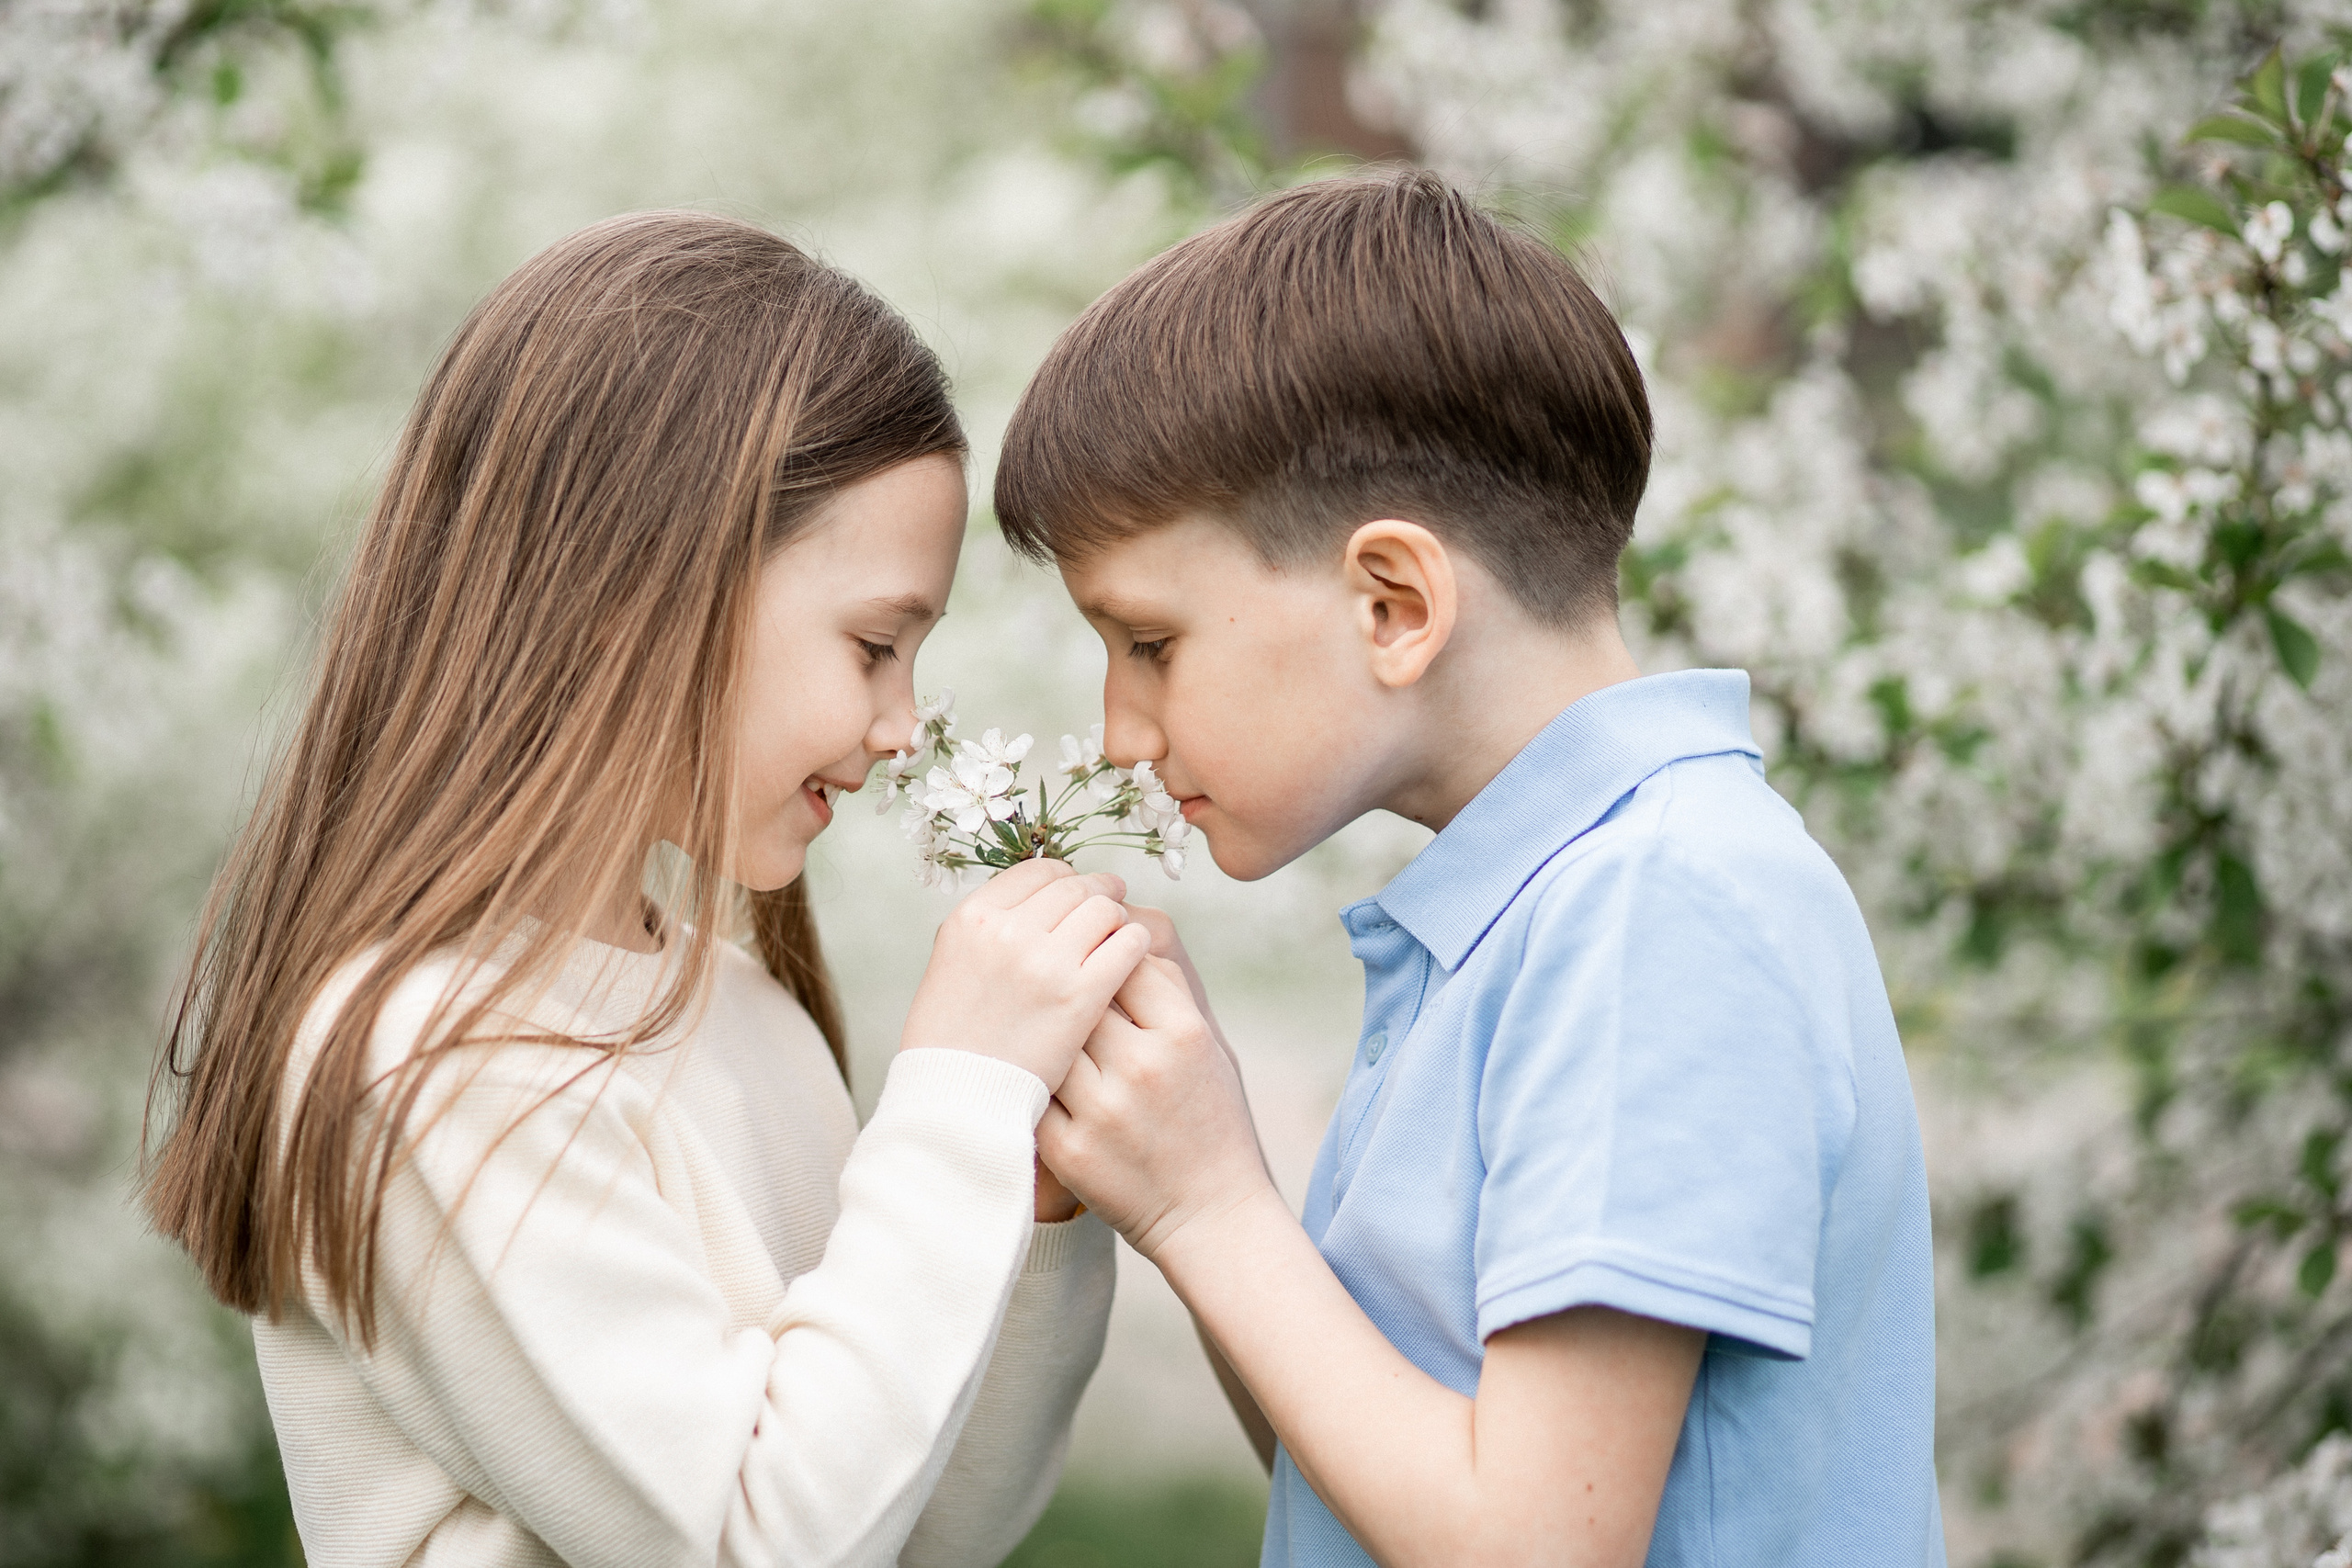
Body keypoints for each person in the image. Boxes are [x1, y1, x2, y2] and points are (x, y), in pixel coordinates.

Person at [141, 210, 1149, 1568]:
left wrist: (1020, 1212)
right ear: (642, 591)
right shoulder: (437, 1058)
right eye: (872, 644)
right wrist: (956, 1094)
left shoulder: (738, 1007)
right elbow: (754, 1538)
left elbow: (917, 1524)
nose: (905, 724)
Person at [996, 170, 1946, 1567]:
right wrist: (1178, 1165)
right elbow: (1357, 1480)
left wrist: (1212, 1205)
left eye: (1149, 644)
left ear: (1395, 604)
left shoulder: (1656, 910)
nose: (1119, 734)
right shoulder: (1528, 918)